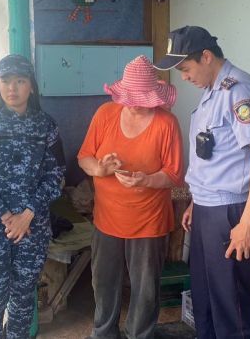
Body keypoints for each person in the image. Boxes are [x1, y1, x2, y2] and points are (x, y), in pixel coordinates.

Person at [155, 26, 250, 339]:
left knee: (229, 303)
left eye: (186, 68)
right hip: (207, 210)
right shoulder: (212, 92)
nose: (184, 77)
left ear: (207, 57)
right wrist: (195, 202)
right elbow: (213, 157)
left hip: (230, 213)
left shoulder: (239, 91)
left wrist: (247, 223)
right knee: (205, 296)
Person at [78, 55, 184, 339]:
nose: (135, 104)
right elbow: (84, 156)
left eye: (141, 98)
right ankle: (104, 333)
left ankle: (140, 334)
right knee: (103, 282)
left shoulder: (166, 123)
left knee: (145, 289)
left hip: (149, 221)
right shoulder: (105, 114)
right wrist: (99, 169)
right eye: (130, 97)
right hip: (107, 218)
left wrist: (146, 180)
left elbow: (174, 174)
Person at [0, 54, 65, 339]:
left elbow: (56, 174)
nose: (12, 88)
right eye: (6, 81)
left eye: (20, 81)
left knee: (22, 302)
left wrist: (27, 214)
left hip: (31, 230)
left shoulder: (46, 126)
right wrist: (7, 216)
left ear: (31, 86)